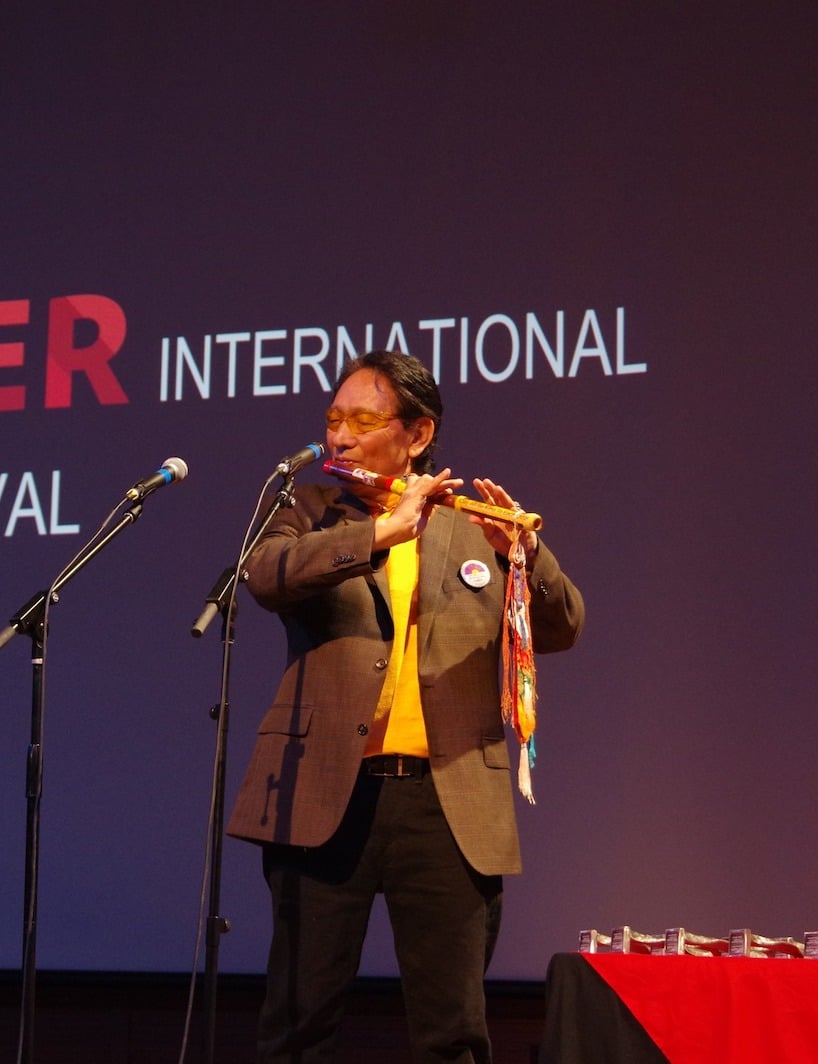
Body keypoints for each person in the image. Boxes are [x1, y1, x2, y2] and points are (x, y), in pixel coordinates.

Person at [227, 350, 585, 1062]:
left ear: (417, 435)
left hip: (445, 806)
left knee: (452, 1033)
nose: (340, 437)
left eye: (363, 421)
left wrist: (524, 558)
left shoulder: (469, 523)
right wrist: (380, 533)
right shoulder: (306, 510)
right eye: (333, 420)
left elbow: (563, 625)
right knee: (296, 1026)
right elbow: (263, 576)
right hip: (328, 795)